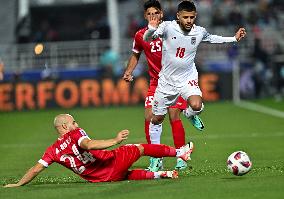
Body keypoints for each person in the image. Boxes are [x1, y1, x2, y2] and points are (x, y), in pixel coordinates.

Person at [143, 1, 246, 145]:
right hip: (167, 81)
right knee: (157, 119)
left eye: (191, 17)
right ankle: (155, 156)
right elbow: (147, 39)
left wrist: (234, 39)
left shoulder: (199, 31)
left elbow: (213, 39)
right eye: (185, 17)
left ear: (195, 16)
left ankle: (189, 114)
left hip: (187, 77)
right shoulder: (167, 27)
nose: (189, 21)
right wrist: (151, 28)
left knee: (196, 105)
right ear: (178, 16)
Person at [4, 114, 194, 188]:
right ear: (64, 126)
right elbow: (88, 145)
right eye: (73, 122)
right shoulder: (75, 133)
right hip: (111, 161)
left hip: (100, 179)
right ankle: (180, 153)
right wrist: (115, 140)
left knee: (125, 175)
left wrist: (19, 184)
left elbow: (36, 169)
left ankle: (162, 174)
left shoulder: (52, 150)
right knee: (140, 148)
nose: (76, 124)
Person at [123, 0, 202, 172]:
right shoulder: (141, 35)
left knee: (174, 115)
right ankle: (156, 158)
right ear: (145, 16)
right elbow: (135, 55)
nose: (153, 16)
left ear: (161, 14)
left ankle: (181, 157)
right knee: (150, 117)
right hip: (156, 82)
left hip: (176, 80)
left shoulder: (172, 29)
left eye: (156, 13)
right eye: (150, 14)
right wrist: (129, 71)